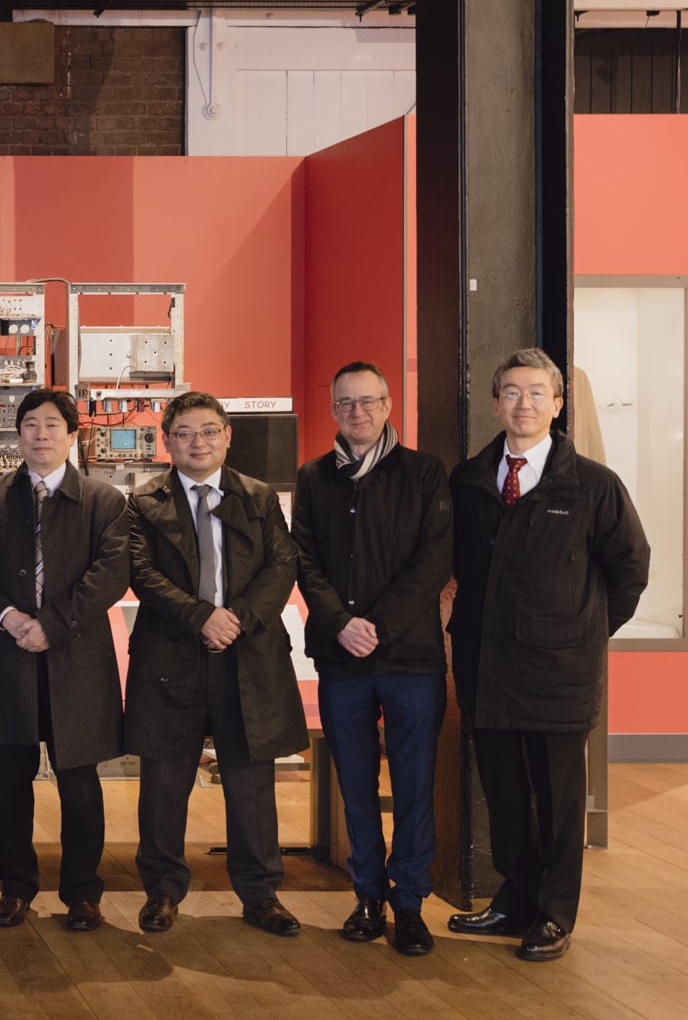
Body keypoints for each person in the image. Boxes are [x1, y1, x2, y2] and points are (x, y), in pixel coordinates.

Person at [446, 348, 649, 963]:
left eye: (537, 393)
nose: (524, 404)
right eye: (511, 392)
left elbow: (630, 571)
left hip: (560, 672)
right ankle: (516, 898)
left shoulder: (592, 485)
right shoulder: (470, 480)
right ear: (494, 403)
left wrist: (582, 632)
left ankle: (556, 914)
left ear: (558, 405)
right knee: (505, 794)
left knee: (560, 800)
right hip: (487, 665)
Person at [125, 391, 309, 938]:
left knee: (251, 781)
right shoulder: (142, 502)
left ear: (228, 435)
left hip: (246, 654)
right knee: (164, 779)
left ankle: (260, 893)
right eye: (184, 432)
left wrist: (238, 618)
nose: (197, 442)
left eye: (208, 431)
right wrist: (202, 617)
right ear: (167, 441)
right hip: (170, 656)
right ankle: (161, 891)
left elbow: (283, 563)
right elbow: (141, 573)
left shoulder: (257, 496)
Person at [291, 362, 451, 957]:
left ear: (388, 405)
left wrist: (377, 626)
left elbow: (433, 561)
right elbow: (304, 561)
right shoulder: (313, 478)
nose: (357, 411)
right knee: (354, 784)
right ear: (333, 410)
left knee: (413, 784)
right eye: (345, 403)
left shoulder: (424, 472)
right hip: (342, 659)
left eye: (368, 401)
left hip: (410, 658)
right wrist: (340, 624)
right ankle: (367, 896)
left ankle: (409, 904)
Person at [0, 388, 128, 933]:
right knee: (11, 781)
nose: (41, 435)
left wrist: (49, 626)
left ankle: (83, 892)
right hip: (8, 654)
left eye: (52, 425)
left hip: (75, 658)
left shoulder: (105, 501)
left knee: (79, 783)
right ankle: (15, 887)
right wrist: (8, 618)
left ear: (73, 434)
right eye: (30, 424)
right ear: (18, 433)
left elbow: (110, 576)